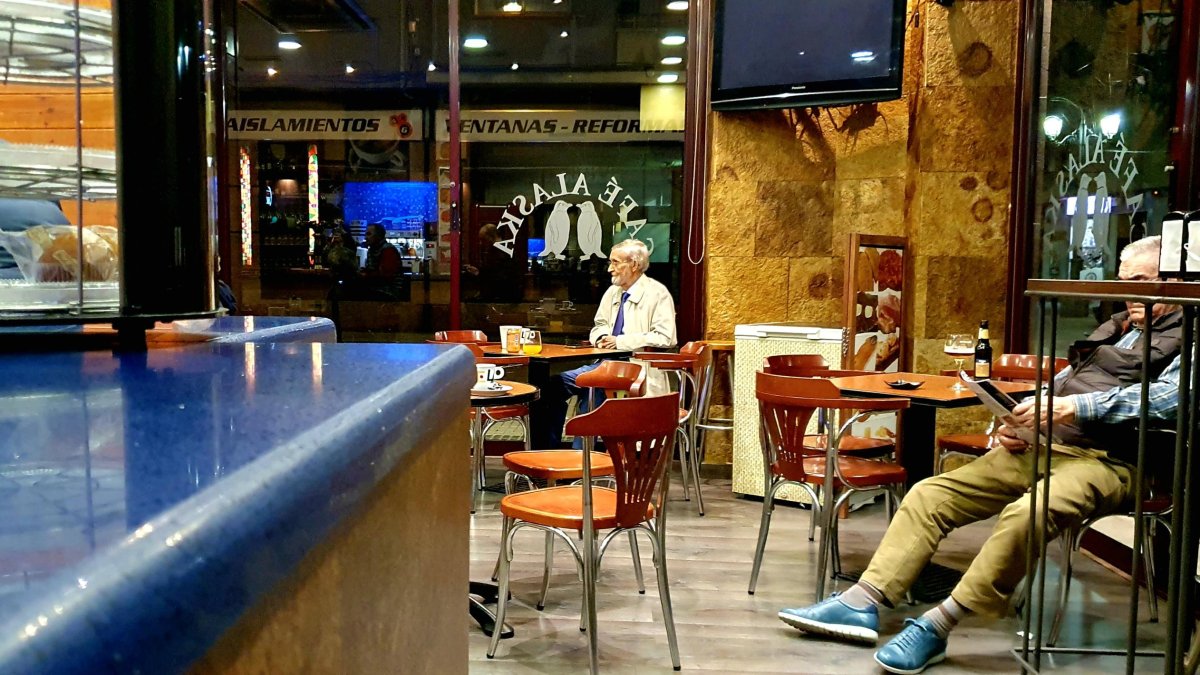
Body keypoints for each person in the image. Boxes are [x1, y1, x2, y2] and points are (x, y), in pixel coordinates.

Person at [776, 236, 1183, 674]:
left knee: (1029, 512)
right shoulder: (1120, 326)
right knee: (931, 494)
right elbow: (1065, 384)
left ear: (1175, 281)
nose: (1127, 294)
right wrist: (1020, 420)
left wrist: (1073, 408)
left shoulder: (1190, 330)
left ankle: (936, 625)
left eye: (1141, 282)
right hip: (1050, 445)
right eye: (1123, 283)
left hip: (1117, 460)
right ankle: (862, 602)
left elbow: (1169, 398)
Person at [535, 238, 676, 449]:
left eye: (616, 262)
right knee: (551, 387)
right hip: (603, 364)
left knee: (593, 387)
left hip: (634, 367)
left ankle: (580, 458)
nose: (610, 268)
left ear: (634, 265)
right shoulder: (612, 292)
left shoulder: (657, 293)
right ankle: (549, 451)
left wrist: (620, 341)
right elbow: (599, 324)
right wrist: (600, 337)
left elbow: (666, 337)